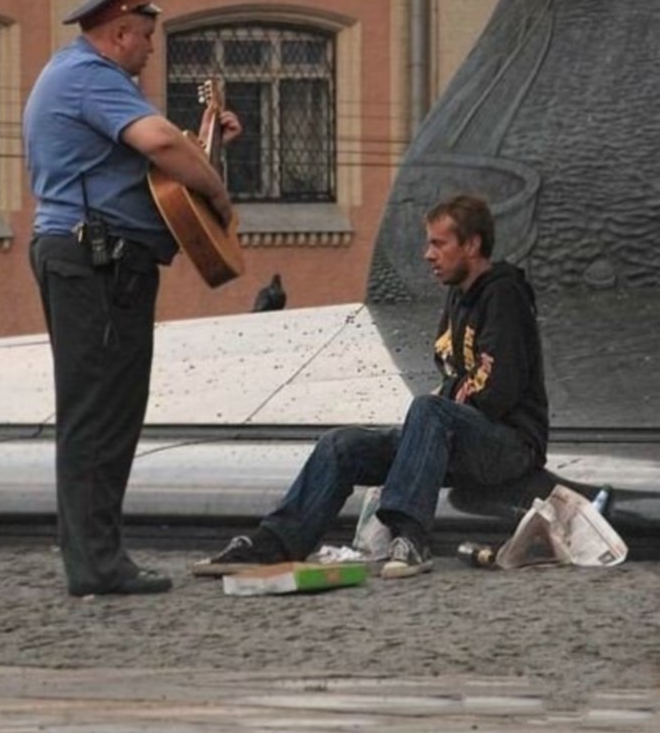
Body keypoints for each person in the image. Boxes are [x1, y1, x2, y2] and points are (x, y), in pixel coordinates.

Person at [24, 0, 241, 597]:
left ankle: (99, 555)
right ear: (120, 31)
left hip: (98, 260)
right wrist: (220, 195)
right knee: (100, 411)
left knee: (108, 408)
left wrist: (207, 149)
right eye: (146, 39)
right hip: (97, 262)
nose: (150, 52)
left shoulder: (81, 74)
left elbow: (150, 164)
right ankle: (96, 564)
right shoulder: (91, 76)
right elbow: (162, 147)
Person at [201, 194, 549, 580]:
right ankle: (275, 543)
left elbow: (497, 393)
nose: (427, 255)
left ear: (472, 244)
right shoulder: (458, 296)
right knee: (342, 445)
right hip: (459, 435)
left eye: (439, 243)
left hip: (511, 445)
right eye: (428, 243)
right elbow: (452, 374)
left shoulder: (503, 294)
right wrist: (440, 412)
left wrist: (444, 404)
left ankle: (410, 538)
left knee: (427, 409)